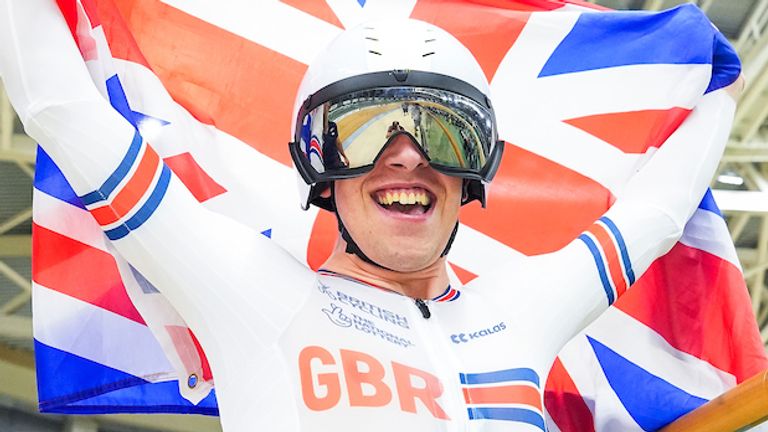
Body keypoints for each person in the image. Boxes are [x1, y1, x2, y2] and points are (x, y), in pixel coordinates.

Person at [0, 2, 740, 431]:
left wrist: (718, 80)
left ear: (476, 167)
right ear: (317, 169)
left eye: (444, 131)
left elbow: (659, 213)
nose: (406, 156)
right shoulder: (253, 292)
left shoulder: (518, 313)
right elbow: (58, 109)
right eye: (362, 131)